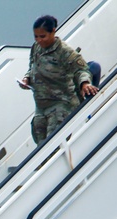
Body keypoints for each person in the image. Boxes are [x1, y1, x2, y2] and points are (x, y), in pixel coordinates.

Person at [19, 15, 98, 145]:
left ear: (53, 31)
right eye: (36, 36)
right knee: (40, 145)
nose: (39, 40)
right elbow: (32, 67)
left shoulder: (64, 51)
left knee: (53, 144)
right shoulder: (36, 48)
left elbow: (81, 70)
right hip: (41, 106)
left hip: (61, 104)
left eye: (43, 36)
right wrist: (27, 78)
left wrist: (84, 84)